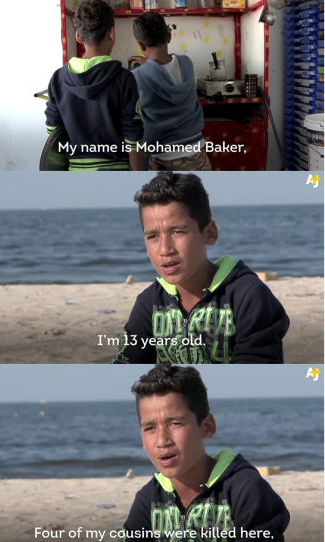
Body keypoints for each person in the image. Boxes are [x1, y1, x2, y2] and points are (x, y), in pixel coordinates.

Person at [111, 172, 290, 364]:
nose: (164, 249)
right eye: (153, 236)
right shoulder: (149, 303)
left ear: (210, 233)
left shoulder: (248, 296)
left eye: (177, 231)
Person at [114, 365, 290, 542]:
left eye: (175, 423)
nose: (161, 440)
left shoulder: (247, 492)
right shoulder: (148, 499)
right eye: (149, 428)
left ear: (207, 427)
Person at [45, 0, 143, 171]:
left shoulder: (58, 79)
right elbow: (133, 137)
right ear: (111, 33)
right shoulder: (125, 78)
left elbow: (53, 133)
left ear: (78, 36)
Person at [128, 13, 210, 172]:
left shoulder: (136, 77)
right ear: (169, 36)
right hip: (197, 152)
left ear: (141, 46)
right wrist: (151, 64)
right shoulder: (187, 63)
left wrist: (148, 65)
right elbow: (165, 70)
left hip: (164, 159)